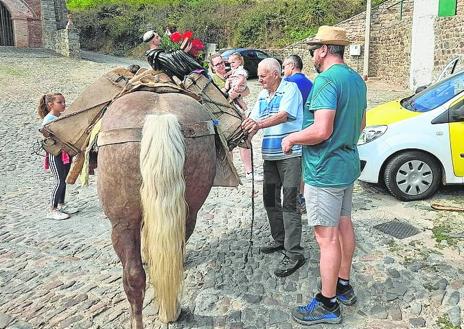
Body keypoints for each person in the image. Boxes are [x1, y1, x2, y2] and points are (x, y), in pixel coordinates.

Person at [281, 26, 367, 325]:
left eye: (313, 49)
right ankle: (343, 285)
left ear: (324, 50)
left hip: (324, 170)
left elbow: (321, 130)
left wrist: (292, 139)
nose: (313, 55)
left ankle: (327, 303)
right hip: (346, 165)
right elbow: (360, 123)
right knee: (344, 225)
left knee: (326, 237)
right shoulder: (356, 79)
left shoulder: (327, 81)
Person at [242, 58, 305, 277]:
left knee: (289, 203)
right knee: (270, 200)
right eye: (258, 75)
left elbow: (283, 115)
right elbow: (253, 120)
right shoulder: (261, 95)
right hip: (270, 156)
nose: (258, 79)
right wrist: (247, 136)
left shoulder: (291, 89)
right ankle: (280, 240)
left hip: (289, 156)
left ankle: (295, 252)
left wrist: (258, 124)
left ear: (276, 74)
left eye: (263, 75)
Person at [209, 53, 262, 182]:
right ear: (212, 67)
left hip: (238, 111)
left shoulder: (234, 74)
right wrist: (231, 94)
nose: (221, 66)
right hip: (224, 115)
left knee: (244, 138)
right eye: (217, 64)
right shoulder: (212, 80)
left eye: (222, 62)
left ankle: (249, 171)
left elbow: (247, 91)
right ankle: (230, 172)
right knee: (227, 143)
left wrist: (236, 92)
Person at [282, 54, 313, 214]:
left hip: (293, 129)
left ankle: (294, 199)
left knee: (292, 167)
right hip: (308, 127)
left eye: (284, 67)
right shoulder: (309, 82)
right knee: (303, 166)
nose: (283, 70)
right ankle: (303, 196)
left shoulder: (288, 83)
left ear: (291, 66)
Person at [38, 93, 75, 220]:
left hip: (65, 153)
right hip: (56, 154)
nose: (64, 104)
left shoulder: (61, 117)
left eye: (64, 102)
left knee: (63, 180)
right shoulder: (48, 120)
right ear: (51, 105)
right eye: (60, 102)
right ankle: (52, 210)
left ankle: (61, 205)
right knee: (59, 181)